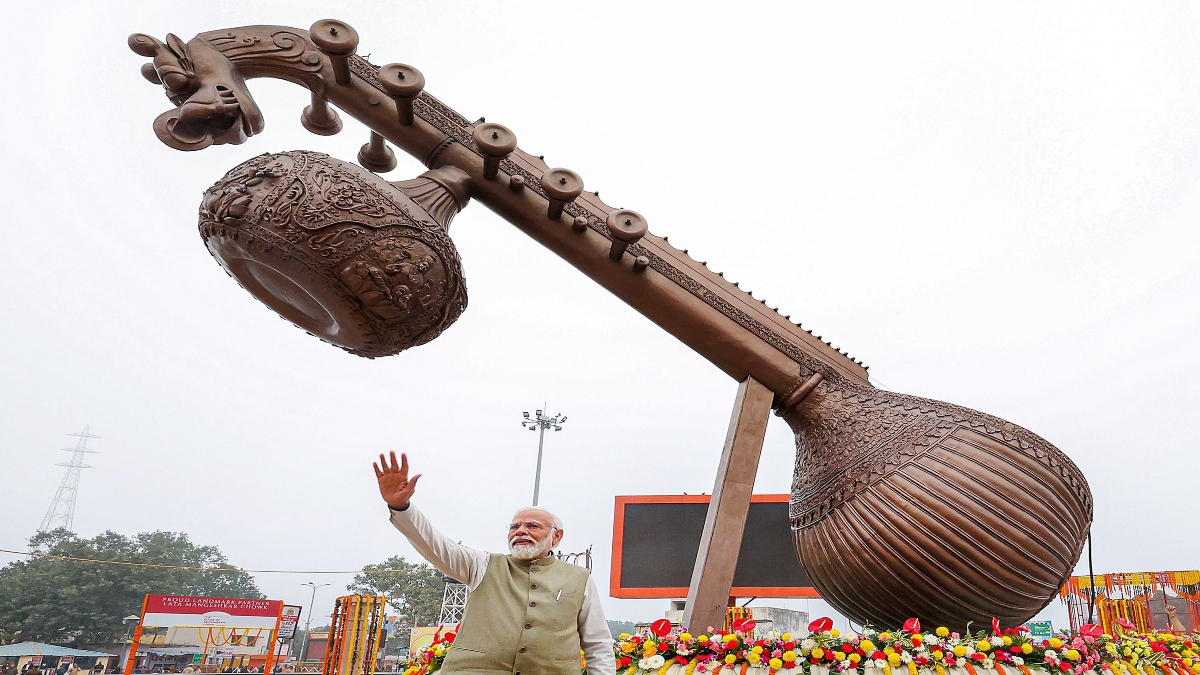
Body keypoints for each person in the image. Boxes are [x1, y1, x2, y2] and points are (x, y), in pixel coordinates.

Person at [374, 451, 614, 675]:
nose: (521, 531)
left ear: (556, 536)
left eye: (532, 526)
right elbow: (433, 543)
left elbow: (598, 644)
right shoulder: (481, 565)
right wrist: (401, 507)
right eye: (514, 527)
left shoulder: (579, 578)